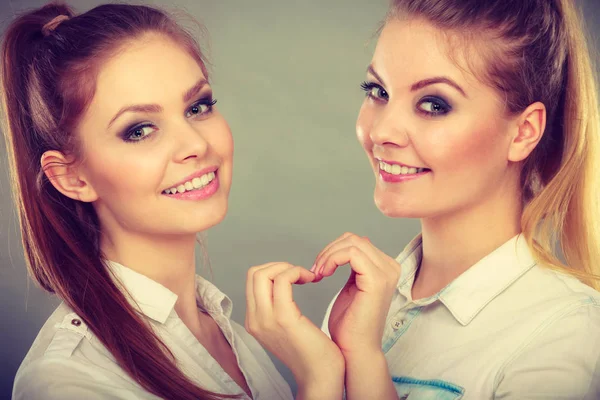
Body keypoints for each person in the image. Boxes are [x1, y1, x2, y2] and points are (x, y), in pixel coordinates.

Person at [246, 0, 600, 399]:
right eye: (378, 91)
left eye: (434, 105)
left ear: (523, 132)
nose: (381, 131)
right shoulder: (360, 304)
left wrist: (364, 362)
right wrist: (322, 376)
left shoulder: (567, 333)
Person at [3, 2, 340, 399]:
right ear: (72, 177)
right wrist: (320, 380)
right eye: (140, 130)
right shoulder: (66, 382)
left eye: (198, 107)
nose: (196, 144)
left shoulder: (224, 331)